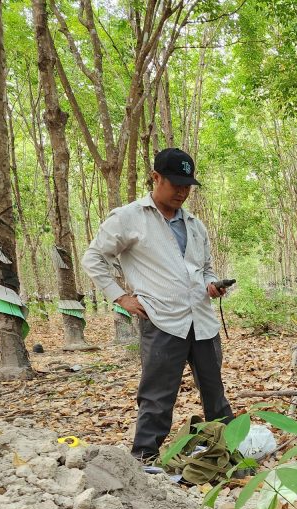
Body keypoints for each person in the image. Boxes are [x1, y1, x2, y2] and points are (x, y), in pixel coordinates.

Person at [82, 147, 234, 463]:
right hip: (162, 320)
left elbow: (204, 268)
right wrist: (119, 296)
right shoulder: (129, 218)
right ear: (155, 178)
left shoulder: (195, 224)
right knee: (157, 395)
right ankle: (144, 456)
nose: (182, 191)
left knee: (214, 392)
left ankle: (227, 449)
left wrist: (212, 284)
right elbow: (94, 257)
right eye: (175, 183)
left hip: (201, 319)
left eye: (187, 185)